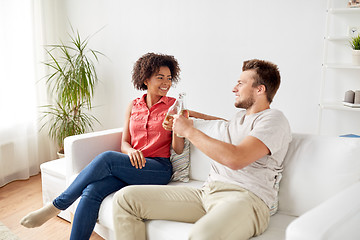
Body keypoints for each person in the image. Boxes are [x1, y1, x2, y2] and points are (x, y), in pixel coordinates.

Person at [112, 59, 292, 240]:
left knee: (202, 235)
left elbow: (236, 158)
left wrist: (188, 130)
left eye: (240, 83)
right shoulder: (236, 120)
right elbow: (209, 124)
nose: (234, 88)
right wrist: (178, 120)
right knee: (126, 199)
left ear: (260, 89)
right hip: (207, 193)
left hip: (246, 199)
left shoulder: (273, 119)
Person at [20, 52, 186, 240]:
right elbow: (124, 142)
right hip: (132, 165)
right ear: (146, 79)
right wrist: (131, 151)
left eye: (169, 78)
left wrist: (178, 128)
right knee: (92, 191)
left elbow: (178, 149)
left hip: (158, 168)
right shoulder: (133, 105)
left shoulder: (175, 107)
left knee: (107, 158)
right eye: (160, 77)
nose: (166, 82)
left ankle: (58, 204)